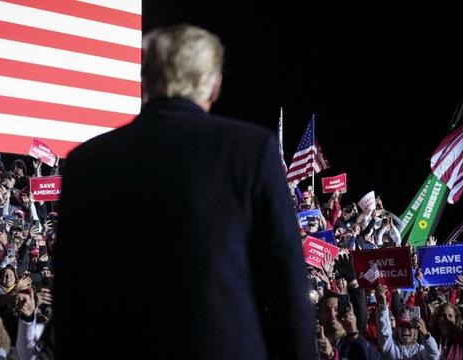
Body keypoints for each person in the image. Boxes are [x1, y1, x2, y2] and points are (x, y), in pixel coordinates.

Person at [55, 23, 315, 359]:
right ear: (215, 85)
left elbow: (70, 300)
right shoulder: (251, 150)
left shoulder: (85, 162)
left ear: (145, 81)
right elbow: (288, 288)